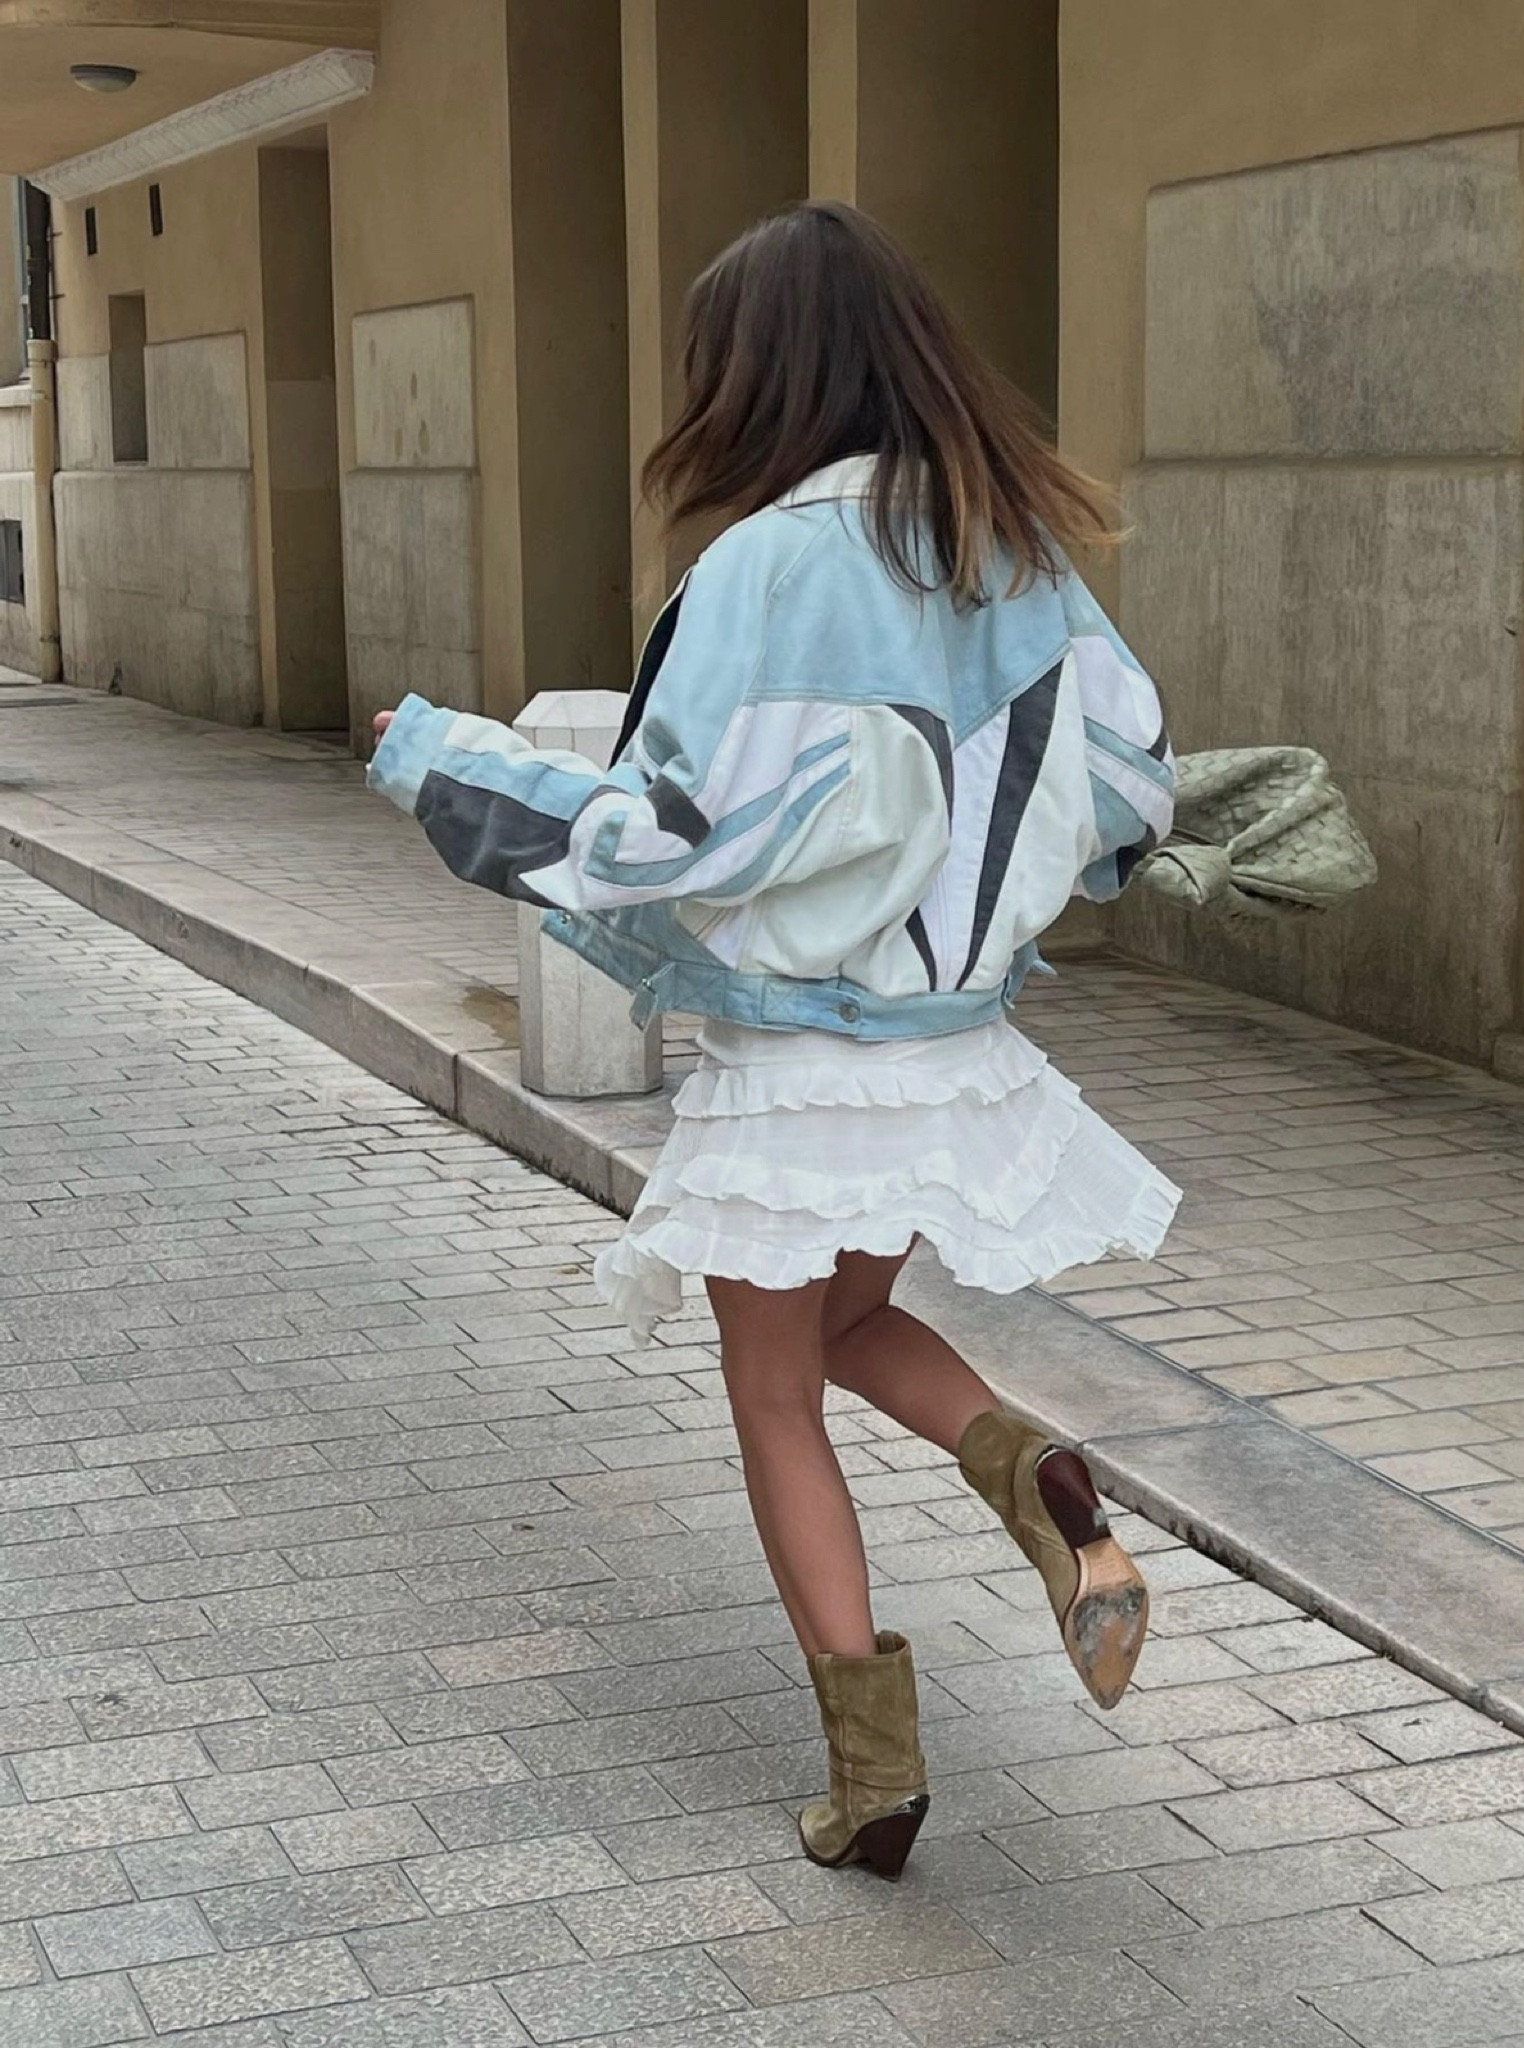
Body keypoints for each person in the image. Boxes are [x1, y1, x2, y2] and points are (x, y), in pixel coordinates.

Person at [369, 200, 1180, 1882]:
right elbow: (1127, 800)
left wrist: (440, 760)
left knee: (769, 1391)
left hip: (800, 1059)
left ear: (757, 378)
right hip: (948, 1049)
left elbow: (658, 839)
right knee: (854, 1321)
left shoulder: (760, 573)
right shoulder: (1016, 556)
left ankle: (873, 1778)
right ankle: (1046, 1489)